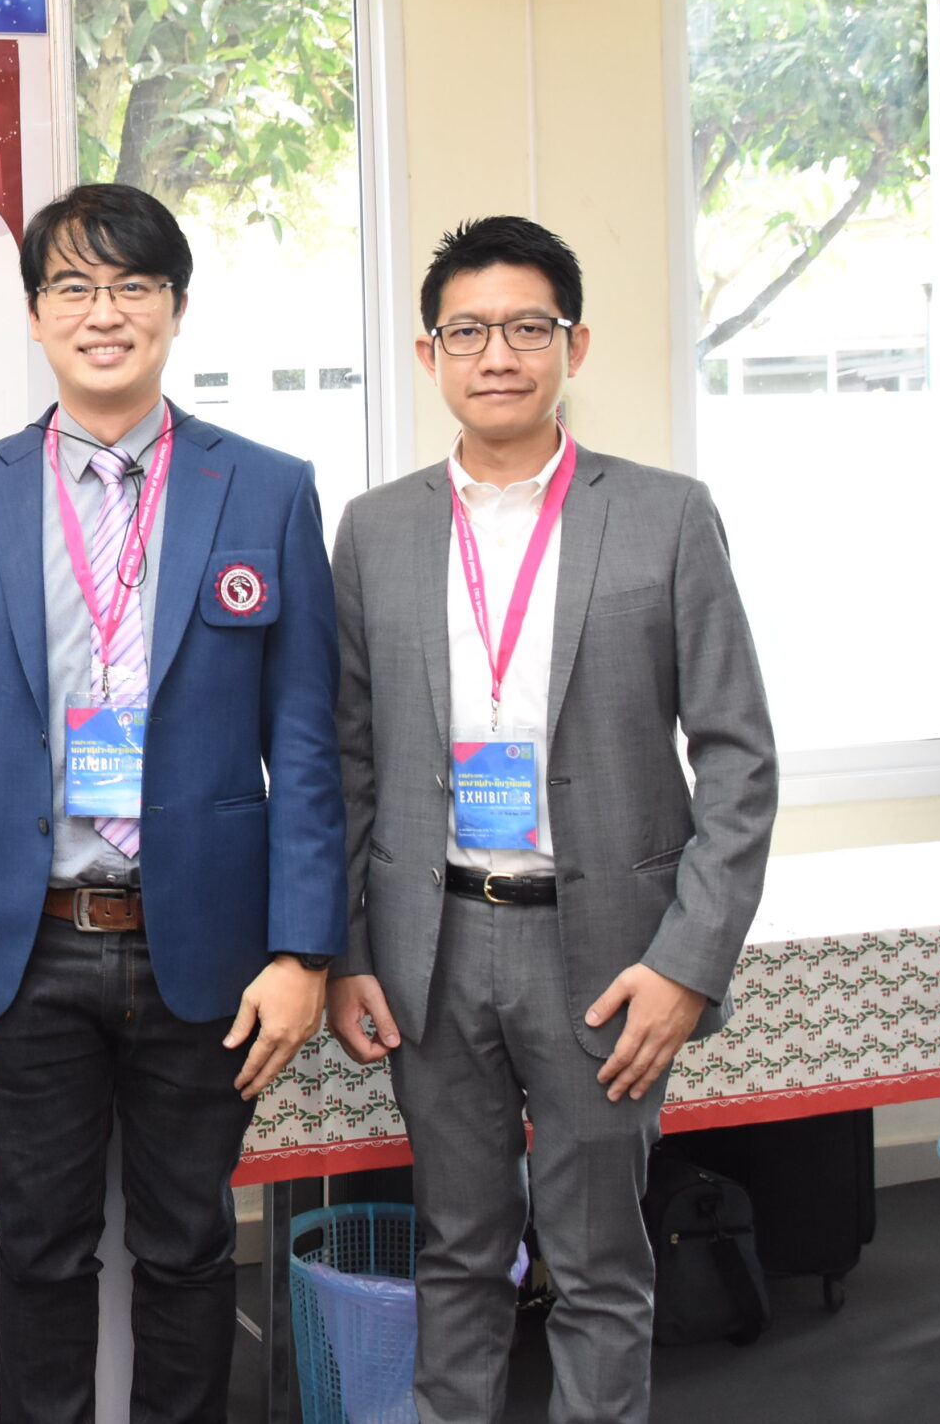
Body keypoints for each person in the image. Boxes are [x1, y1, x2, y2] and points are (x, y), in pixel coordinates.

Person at [0, 183, 345, 1424]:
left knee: (190, 1247)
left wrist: (304, 950)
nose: (104, 313)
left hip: (208, 949)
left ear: (175, 309)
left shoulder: (266, 489)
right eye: (74, 287)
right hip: (23, 948)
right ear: (35, 313)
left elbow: (305, 736)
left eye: (133, 285)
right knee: (39, 1250)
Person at [327, 217, 776, 1424]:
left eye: (527, 328)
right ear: (428, 355)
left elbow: (738, 758)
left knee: (597, 1261)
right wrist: (351, 950)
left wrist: (686, 964)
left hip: (608, 954)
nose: (498, 355)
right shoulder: (375, 529)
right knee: (456, 1249)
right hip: (431, 946)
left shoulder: (666, 515)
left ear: (572, 344)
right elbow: (349, 758)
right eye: (467, 331)